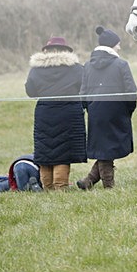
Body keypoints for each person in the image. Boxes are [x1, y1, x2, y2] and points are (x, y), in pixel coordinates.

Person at [77, 27, 137, 190]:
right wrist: (127, 111)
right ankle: (108, 185)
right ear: (111, 46)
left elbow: (83, 93)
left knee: (105, 148)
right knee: (107, 150)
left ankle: (88, 181)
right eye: (118, 44)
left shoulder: (88, 65)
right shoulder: (121, 64)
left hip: (96, 112)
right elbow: (131, 92)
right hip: (117, 112)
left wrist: (91, 109)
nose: (119, 47)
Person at [25, 36, 86, 190]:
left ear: (46, 51)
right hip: (69, 113)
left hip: (45, 112)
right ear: (66, 51)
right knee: (63, 152)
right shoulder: (76, 68)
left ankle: (48, 187)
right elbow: (84, 88)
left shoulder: (36, 70)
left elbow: (31, 92)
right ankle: (61, 187)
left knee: (45, 152)